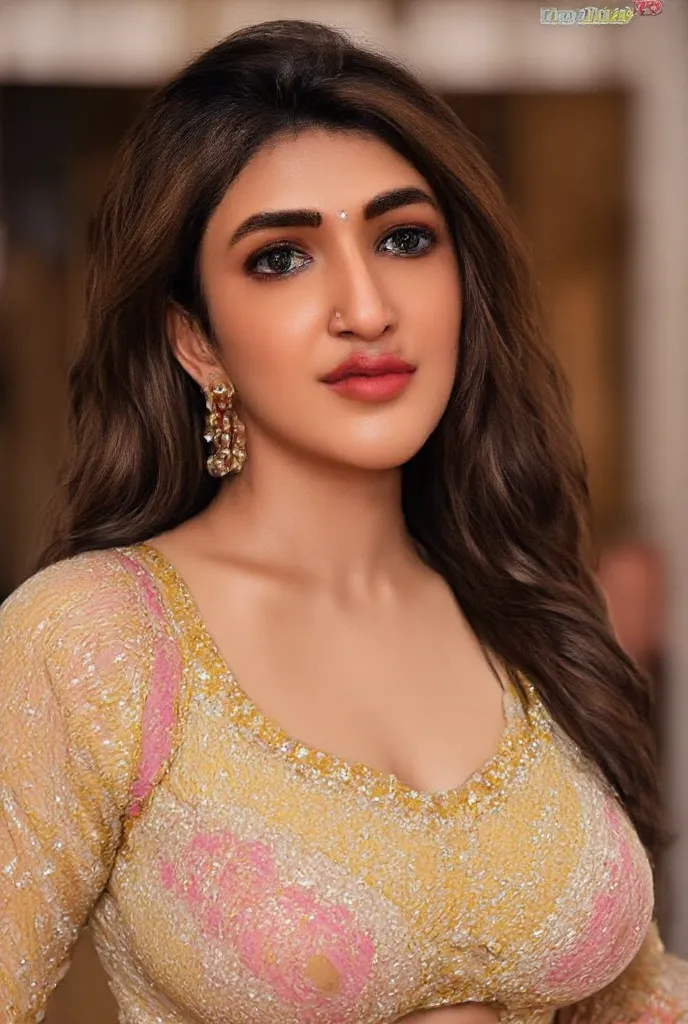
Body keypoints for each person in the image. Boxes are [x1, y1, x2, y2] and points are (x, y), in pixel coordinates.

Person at [0, 19, 685, 1024]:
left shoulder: (522, 606)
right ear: (196, 339)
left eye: (404, 238)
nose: (365, 306)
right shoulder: (96, 641)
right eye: (281, 258)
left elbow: (632, 1001)